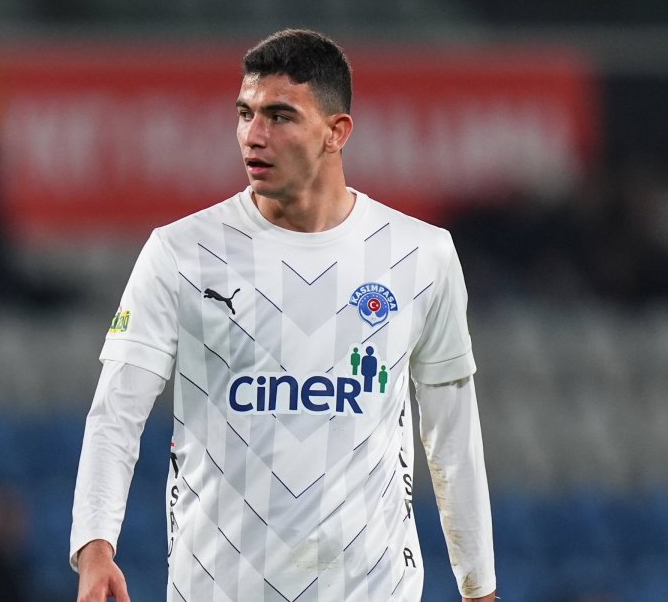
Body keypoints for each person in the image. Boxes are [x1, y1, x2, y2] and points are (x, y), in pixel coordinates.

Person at [70, 29, 496, 601]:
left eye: (279, 116)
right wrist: (96, 547)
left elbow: (452, 435)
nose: (253, 135)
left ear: (336, 132)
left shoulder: (420, 255)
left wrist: (479, 587)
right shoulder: (181, 252)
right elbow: (115, 414)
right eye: (244, 114)